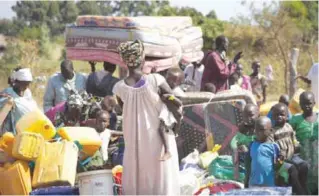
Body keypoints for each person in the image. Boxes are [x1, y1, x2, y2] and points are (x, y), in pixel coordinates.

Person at [113, 40, 180, 195]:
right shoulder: (156, 80)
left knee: (139, 180)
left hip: (136, 144)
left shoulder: (119, 88)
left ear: (124, 61)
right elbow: (174, 103)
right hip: (159, 140)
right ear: (142, 59)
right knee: (162, 181)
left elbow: (126, 111)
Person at [270, 103, 308, 195]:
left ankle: (302, 185)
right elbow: (272, 148)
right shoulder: (272, 131)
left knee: (304, 165)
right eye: (276, 115)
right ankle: (300, 191)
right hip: (281, 160)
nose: (279, 117)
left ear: (287, 116)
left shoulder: (289, 127)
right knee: (292, 169)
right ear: (273, 117)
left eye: (282, 115)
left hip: (291, 155)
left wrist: (297, 145)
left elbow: (293, 140)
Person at [289, 91, 318, 194]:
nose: (306, 106)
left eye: (309, 103)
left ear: (314, 103)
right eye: (303, 103)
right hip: (304, 160)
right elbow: (286, 131)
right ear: (300, 104)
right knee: (306, 185)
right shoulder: (296, 120)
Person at [0, 68, 38, 135]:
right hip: (10, 131)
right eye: (23, 83)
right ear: (16, 81)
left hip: (27, 129)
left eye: (27, 84)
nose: (25, 86)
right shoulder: (8, 93)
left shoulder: (27, 93)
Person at [246, 116, 279, 187]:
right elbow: (248, 164)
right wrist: (246, 180)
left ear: (271, 131)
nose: (257, 132)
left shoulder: (274, 147)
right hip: (254, 183)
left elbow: (277, 165)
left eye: (261, 129)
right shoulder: (252, 145)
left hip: (269, 183)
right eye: (256, 129)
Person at [230, 104, 259, 184]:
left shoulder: (260, 127)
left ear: (258, 114)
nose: (248, 119)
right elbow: (234, 141)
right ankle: (239, 176)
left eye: (251, 115)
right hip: (245, 158)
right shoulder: (243, 128)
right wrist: (236, 148)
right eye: (245, 116)